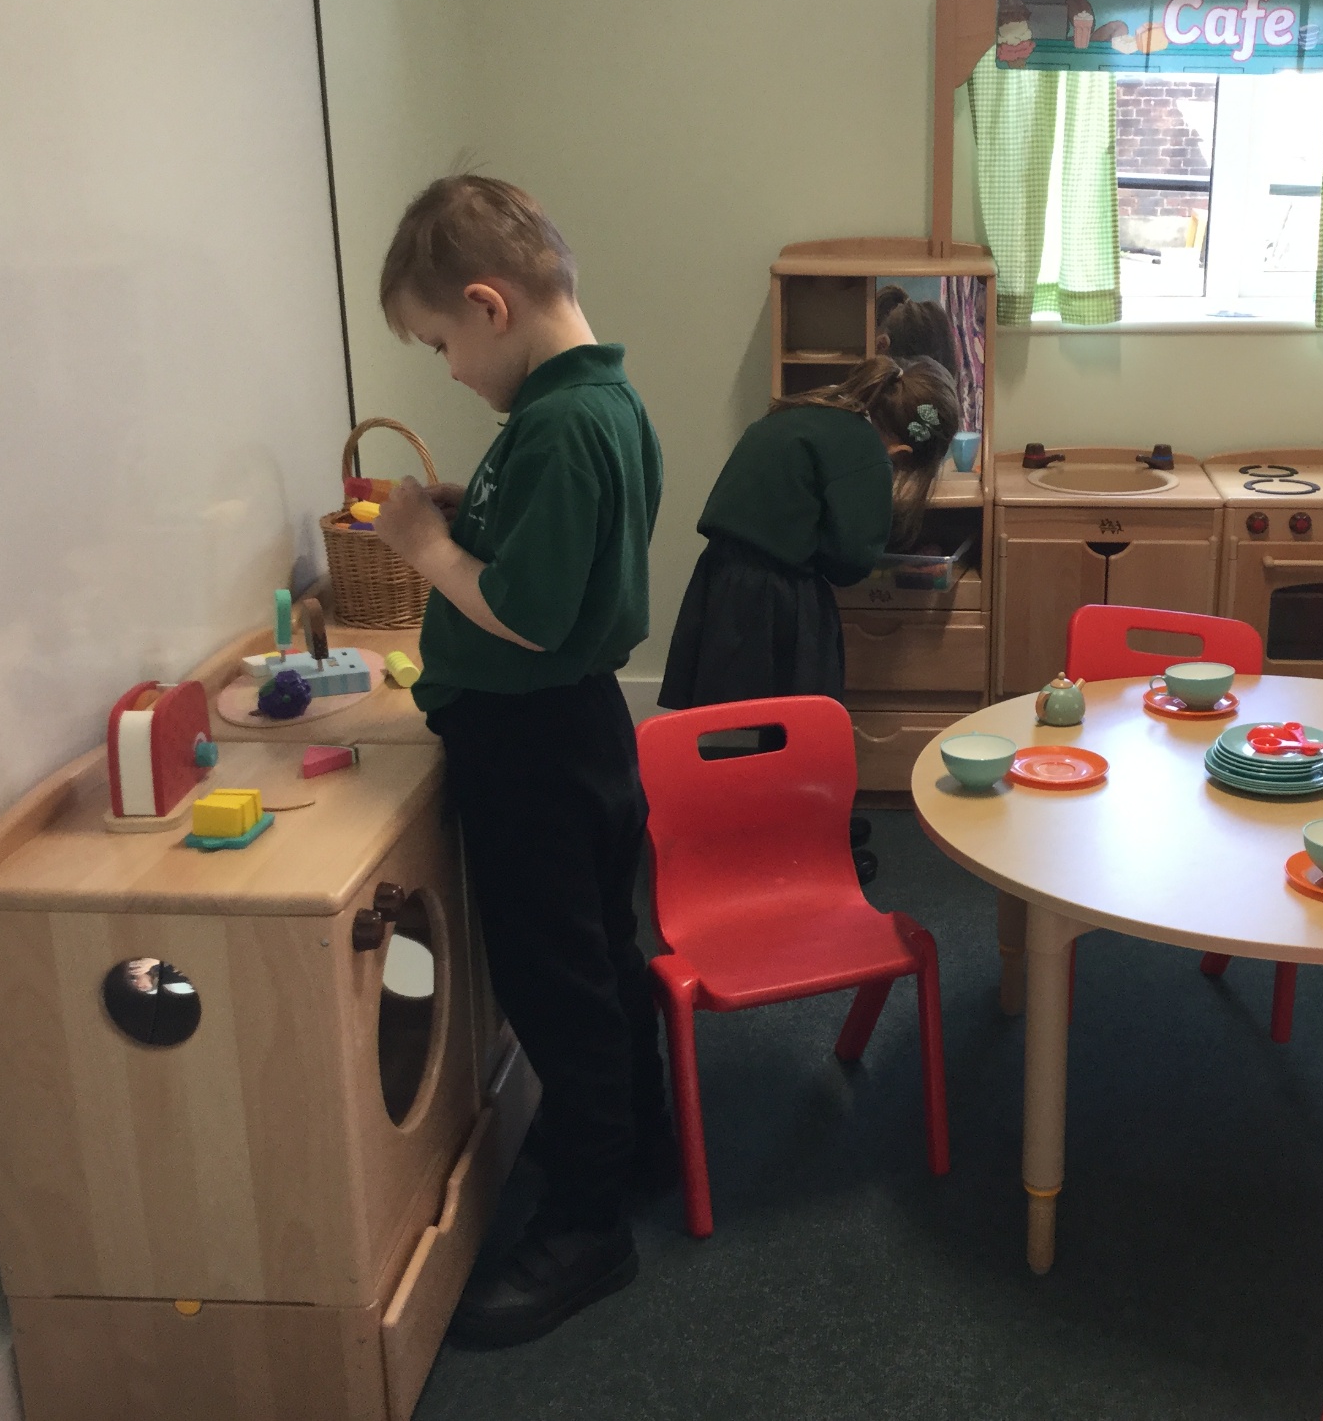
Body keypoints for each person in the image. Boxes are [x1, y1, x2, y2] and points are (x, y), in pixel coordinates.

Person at [372, 174, 667, 1349]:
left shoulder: (555, 425)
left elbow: (530, 616)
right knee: (600, 956)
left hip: (531, 747)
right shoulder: (593, 403)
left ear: (488, 307)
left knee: (556, 983)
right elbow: (564, 555)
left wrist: (425, 545)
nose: (446, 369)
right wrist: (474, 517)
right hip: (577, 733)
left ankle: (588, 1223)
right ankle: (633, 1140)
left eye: (440, 343)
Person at [657, 356, 958, 881]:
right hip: (780, 595)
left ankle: (784, 821)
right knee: (803, 723)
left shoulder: (806, 413)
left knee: (767, 719)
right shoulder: (866, 452)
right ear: (906, 450)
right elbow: (852, 561)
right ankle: (791, 845)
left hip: (722, 580)